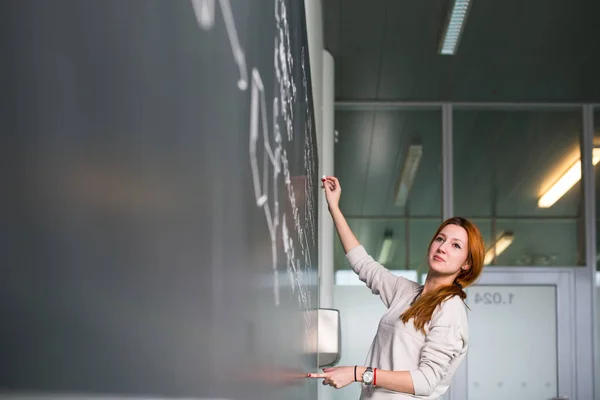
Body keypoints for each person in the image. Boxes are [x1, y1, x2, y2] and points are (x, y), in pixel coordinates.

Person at [308, 176, 485, 399]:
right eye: (440, 239)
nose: (443, 248)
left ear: (467, 263)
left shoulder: (450, 308)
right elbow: (363, 264)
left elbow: (426, 381)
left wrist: (358, 373)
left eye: (456, 245)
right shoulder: (407, 292)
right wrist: (334, 207)